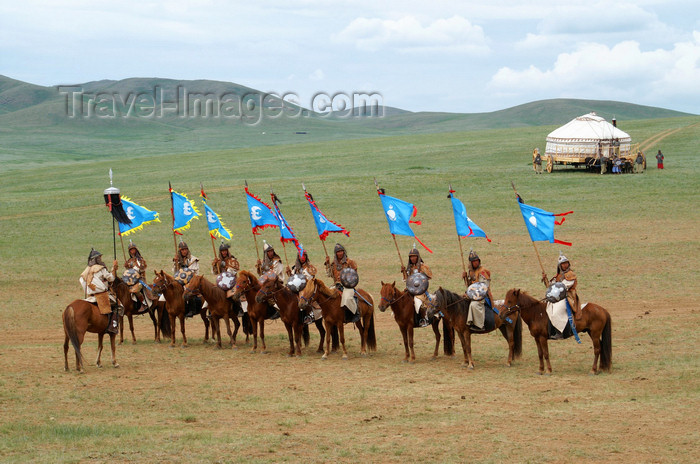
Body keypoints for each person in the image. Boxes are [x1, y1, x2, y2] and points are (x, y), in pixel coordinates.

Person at [80, 248, 119, 334]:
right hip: (102, 295)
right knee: (117, 304)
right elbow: (111, 278)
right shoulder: (100, 269)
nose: (101, 259)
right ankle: (113, 326)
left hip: (91, 296)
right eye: (99, 258)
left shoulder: (85, 271)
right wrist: (114, 269)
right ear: (97, 259)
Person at [542, 252, 580, 335]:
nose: (565, 265)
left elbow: (564, 287)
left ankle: (561, 330)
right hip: (557, 297)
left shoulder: (571, 274)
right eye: (563, 264)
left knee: (556, 311)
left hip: (568, 296)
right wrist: (545, 279)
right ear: (560, 265)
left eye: (566, 263)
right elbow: (550, 287)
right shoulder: (558, 276)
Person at [325, 243, 359, 321]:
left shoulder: (350, 262)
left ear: (344, 252)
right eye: (338, 252)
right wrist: (327, 264)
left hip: (347, 286)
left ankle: (355, 313)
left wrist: (346, 279)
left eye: (341, 251)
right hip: (336, 285)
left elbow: (355, 275)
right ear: (335, 253)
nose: (340, 253)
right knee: (325, 296)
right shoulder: (333, 263)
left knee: (347, 298)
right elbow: (329, 274)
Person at [462, 250, 493, 330]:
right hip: (473, 295)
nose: (476, 263)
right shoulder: (471, 272)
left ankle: (479, 325)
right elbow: (470, 286)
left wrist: (470, 295)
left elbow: (484, 287)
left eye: (477, 261)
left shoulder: (482, 271)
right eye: (474, 261)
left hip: (482, 296)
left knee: (474, 305)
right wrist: (465, 277)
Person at [401, 247, 432, 327]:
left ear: (418, 257)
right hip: (411, 290)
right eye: (411, 257)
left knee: (417, 301)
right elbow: (407, 280)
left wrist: (421, 273)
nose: (412, 258)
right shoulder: (409, 268)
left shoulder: (423, 267)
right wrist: (404, 272)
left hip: (421, 291)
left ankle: (423, 318)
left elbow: (428, 277)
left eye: (414, 256)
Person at [290, 250, 319, 323]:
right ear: (298, 257)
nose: (302, 257)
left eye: (304, 255)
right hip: (297, 287)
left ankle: (308, 315)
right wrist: (289, 273)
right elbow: (292, 278)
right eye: (300, 256)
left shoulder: (310, 267)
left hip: (307, 287)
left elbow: (311, 278)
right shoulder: (295, 268)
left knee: (302, 296)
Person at [124, 240, 151, 307]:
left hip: (140, 279)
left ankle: (143, 303)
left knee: (136, 290)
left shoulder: (140, 259)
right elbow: (128, 271)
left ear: (136, 250)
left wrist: (137, 267)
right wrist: (127, 266)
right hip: (131, 280)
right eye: (131, 250)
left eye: (133, 250)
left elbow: (142, 269)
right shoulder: (129, 260)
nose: (132, 251)